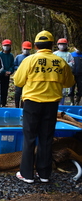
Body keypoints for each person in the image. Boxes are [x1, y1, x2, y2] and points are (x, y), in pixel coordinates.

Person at [14, 30, 75, 184]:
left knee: (29, 138)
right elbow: (69, 83)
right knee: (46, 139)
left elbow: (18, 81)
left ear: (35, 46)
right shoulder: (60, 62)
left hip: (32, 104)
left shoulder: (29, 60)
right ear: (52, 45)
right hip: (51, 105)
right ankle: (44, 174)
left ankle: (27, 174)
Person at [54, 38, 74, 105]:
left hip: (65, 76)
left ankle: (61, 106)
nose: (62, 46)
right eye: (61, 44)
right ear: (58, 45)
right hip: (55, 75)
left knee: (64, 92)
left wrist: (64, 66)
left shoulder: (69, 54)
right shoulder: (54, 54)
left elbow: (72, 64)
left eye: (64, 44)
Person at [13, 41, 32, 108]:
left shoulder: (32, 57)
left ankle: (23, 107)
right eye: (25, 49)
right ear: (22, 48)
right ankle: (16, 106)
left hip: (28, 79)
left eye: (28, 49)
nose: (26, 50)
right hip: (20, 77)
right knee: (18, 92)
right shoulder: (18, 57)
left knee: (25, 94)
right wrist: (20, 68)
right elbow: (14, 66)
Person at [0, 39, 15, 107]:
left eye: (8, 45)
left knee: (5, 89)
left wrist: (10, 71)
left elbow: (12, 65)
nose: (6, 47)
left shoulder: (11, 55)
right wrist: (4, 72)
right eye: (5, 45)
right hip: (0, 75)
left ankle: (4, 103)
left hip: (7, 75)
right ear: (2, 46)